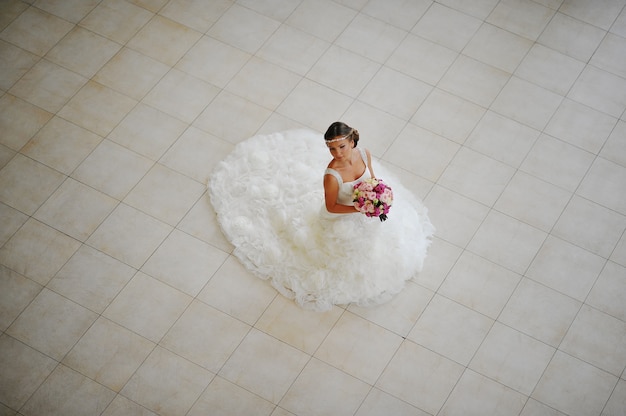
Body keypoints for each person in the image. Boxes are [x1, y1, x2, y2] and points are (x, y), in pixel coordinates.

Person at [209, 122, 434, 311]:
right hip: (339, 218)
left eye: (342, 147)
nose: (337, 154)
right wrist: (361, 209)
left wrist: (376, 194)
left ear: (353, 142)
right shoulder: (332, 174)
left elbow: (372, 177)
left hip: (365, 210)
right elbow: (332, 207)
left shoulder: (364, 154)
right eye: (332, 149)